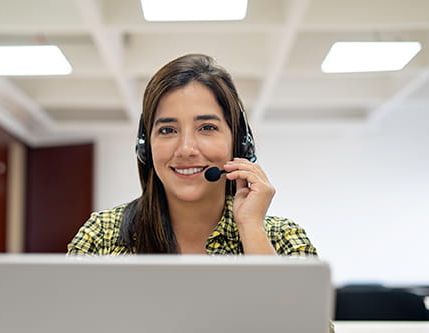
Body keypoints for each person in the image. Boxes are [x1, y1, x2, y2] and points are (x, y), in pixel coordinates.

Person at [67, 54, 317, 256]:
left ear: (239, 142)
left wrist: (251, 229)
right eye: (168, 130)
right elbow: (59, 319)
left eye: (207, 128)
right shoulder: (101, 235)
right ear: (145, 146)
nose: (186, 149)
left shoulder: (282, 237)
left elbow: (307, 321)